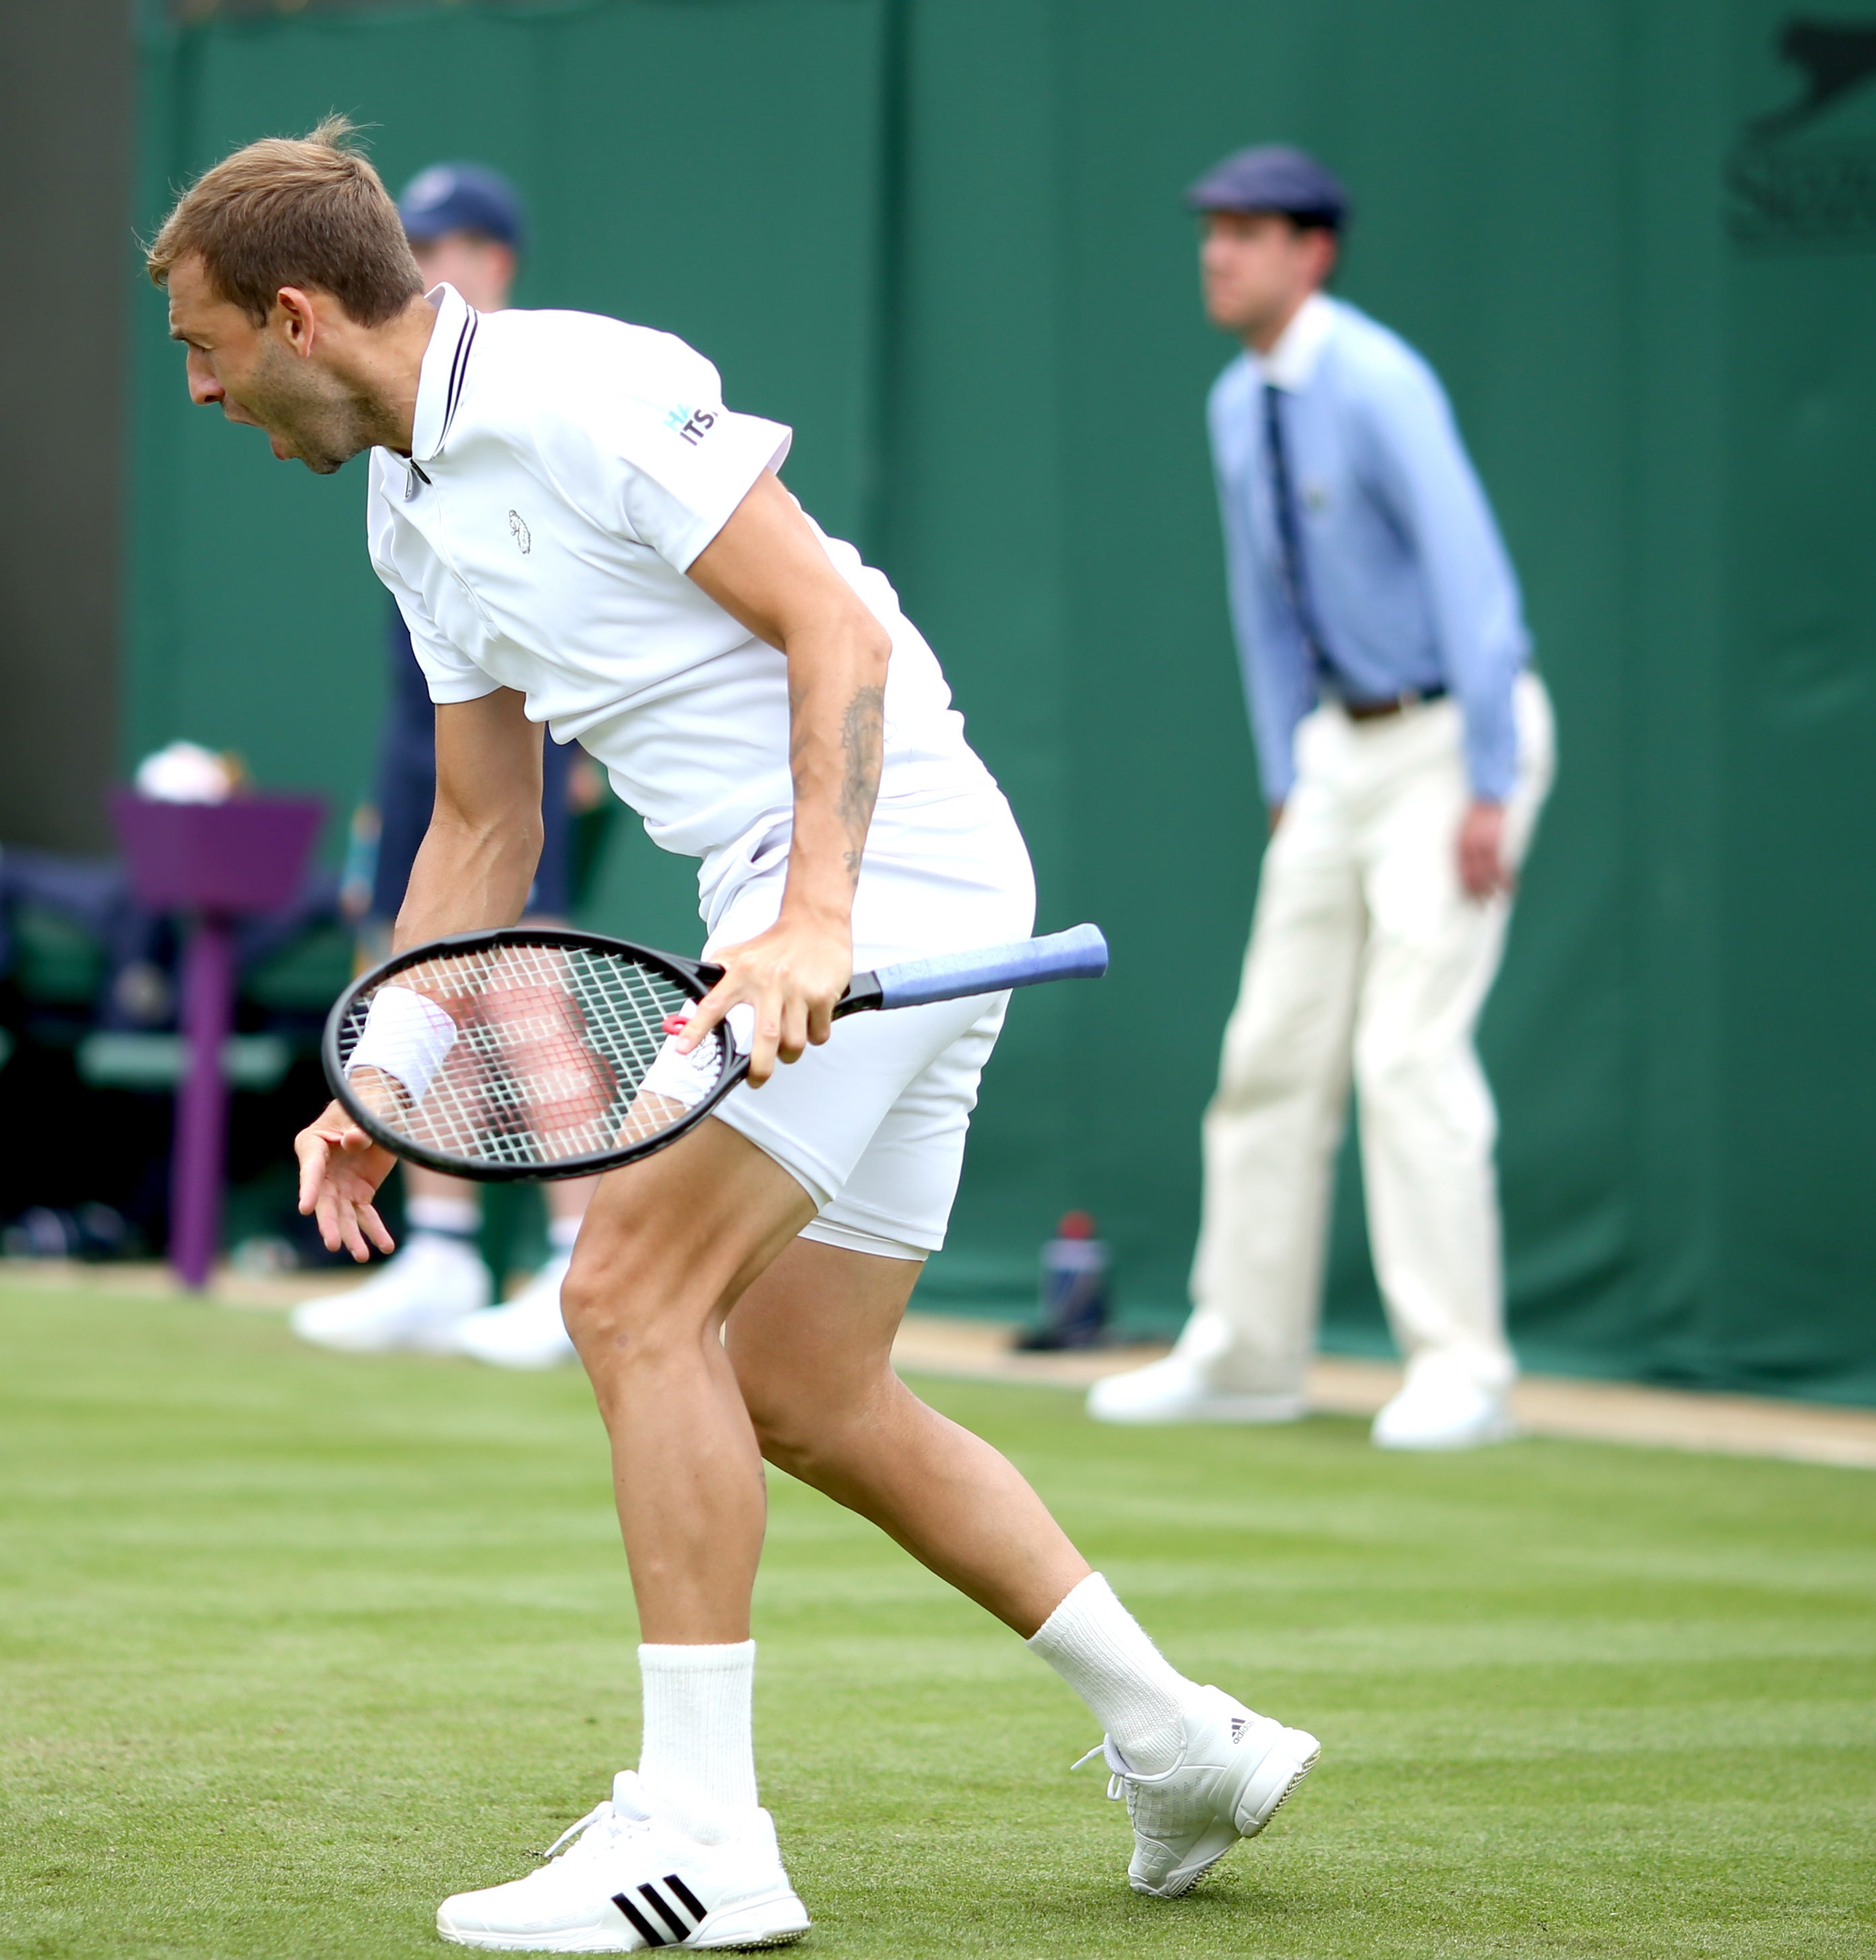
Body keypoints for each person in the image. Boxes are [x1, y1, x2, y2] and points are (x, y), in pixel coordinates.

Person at [147, 118, 1319, 1949]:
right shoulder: (404, 506)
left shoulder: (580, 389)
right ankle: (1175, 1736)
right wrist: (387, 1072)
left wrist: (817, 921)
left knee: (620, 1293)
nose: (203, 392)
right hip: (828, 896)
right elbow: (483, 826)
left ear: (295, 315)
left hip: (881, 877)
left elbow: (832, 631)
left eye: (203, 350)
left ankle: (697, 1833)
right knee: (800, 1386)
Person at [1087, 147, 1558, 1453]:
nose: (1217, 254)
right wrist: (1287, 775)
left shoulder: (1380, 380)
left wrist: (1488, 782)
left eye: (1246, 231)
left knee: (1408, 1052)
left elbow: (1473, 574)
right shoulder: (1239, 404)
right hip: (1338, 757)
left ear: (1315, 251)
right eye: (1211, 231)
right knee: (1269, 1056)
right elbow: (1262, 601)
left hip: (1459, 734)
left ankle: (1465, 1366)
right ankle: (1246, 1354)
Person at [289, 161, 596, 1371]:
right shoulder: (390, 417)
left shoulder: (525, 393)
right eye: (417, 240)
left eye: (456, 242)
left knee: (524, 981)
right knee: (408, 971)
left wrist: (568, 747)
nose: (432, 260)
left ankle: (574, 1260)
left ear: (500, 263)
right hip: (416, 735)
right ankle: (442, 1246)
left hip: (520, 733)